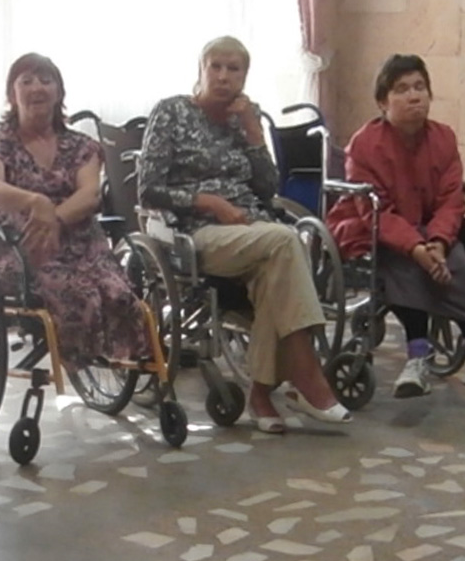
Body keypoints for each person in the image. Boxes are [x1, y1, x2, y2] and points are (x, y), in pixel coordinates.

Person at [138, 36, 348, 433]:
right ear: (200, 70)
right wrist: (208, 202)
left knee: (277, 264)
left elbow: (268, 188)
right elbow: (148, 190)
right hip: (196, 232)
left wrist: (253, 131)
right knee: (285, 240)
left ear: (245, 76)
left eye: (233, 69)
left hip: (252, 230)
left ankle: (261, 396)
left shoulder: (242, 119)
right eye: (215, 67)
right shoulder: (171, 112)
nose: (223, 77)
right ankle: (307, 376)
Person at [326, 54, 465, 400]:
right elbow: (376, 214)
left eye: (420, 87)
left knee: (456, 259)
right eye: (402, 90)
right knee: (404, 262)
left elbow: (451, 200)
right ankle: (419, 355)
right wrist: (417, 248)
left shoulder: (443, 138)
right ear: (383, 102)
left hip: (430, 229)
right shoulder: (365, 145)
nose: (414, 96)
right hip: (371, 228)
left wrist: (438, 244)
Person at [0, 52, 147, 371]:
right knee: (77, 295)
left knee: (119, 294)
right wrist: (36, 202)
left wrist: (55, 218)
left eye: (46, 80)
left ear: (59, 92)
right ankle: (76, 359)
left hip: (82, 247)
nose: (37, 87)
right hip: (22, 248)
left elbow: (90, 194)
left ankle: (118, 358)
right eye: (26, 81)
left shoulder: (81, 146)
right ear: (12, 94)